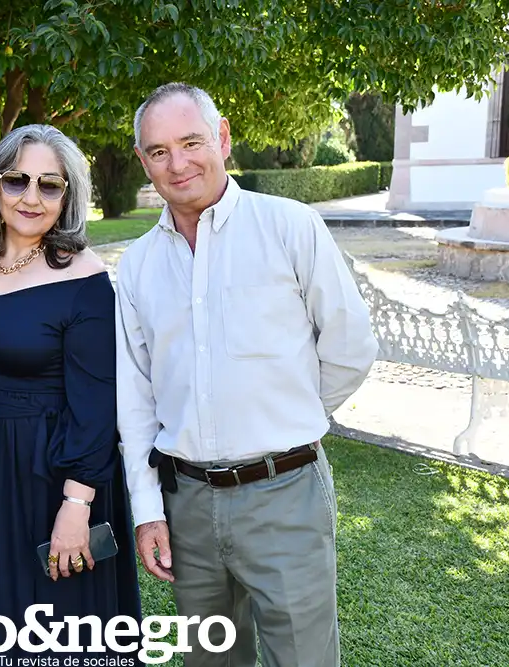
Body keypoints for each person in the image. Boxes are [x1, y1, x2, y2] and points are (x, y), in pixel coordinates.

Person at [115, 82, 380, 666]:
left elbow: (350, 347)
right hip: (185, 503)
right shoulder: (137, 266)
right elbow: (135, 401)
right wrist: (149, 512)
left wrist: (290, 415)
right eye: (159, 151)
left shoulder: (290, 226)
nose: (178, 164)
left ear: (223, 138)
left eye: (192, 142)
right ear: (142, 161)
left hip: (286, 493)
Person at [0, 124, 142, 667]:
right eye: (17, 181)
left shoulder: (84, 278)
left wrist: (77, 505)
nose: (31, 197)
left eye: (49, 185)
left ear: (68, 196)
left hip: (54, 471)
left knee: (53, 626)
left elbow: (97, 406)